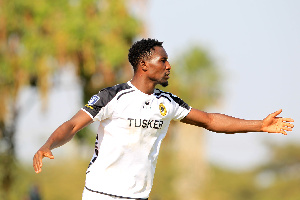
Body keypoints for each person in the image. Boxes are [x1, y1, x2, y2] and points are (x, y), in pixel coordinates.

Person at [33, 38, 294, 200]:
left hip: (139, 197)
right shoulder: (112, 96)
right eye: (163, 60)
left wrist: (259, 125)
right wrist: (48, 145)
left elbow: (210, 120)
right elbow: (72, 125)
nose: (169, 66)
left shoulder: (166, 103)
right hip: (100, 195)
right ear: (144, 65)